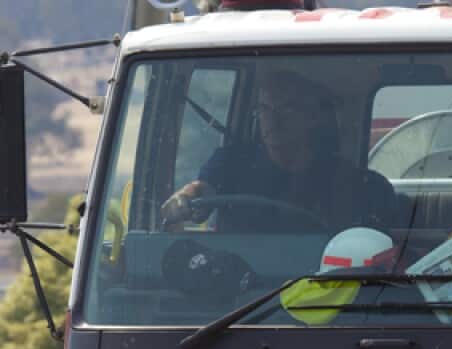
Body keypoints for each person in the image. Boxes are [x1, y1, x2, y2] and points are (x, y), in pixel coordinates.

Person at [161, 69, 397, 233]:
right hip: (231, 290)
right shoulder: (231, 163)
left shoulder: (352, 184)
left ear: (312, 118)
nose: (273, 121)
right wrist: (185, 199)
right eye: (265, 109)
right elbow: (202, 190)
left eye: (288, 109)